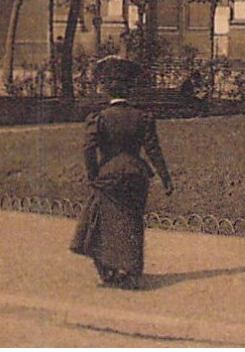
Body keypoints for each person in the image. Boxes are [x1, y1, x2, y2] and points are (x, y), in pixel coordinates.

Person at [70, 71, 174, 288]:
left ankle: (108, 270)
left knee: (102, 221)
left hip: (108, 174)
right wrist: (165, 178)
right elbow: (153, 149)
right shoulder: (142, 117)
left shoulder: (99, 118)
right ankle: (131, 271)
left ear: (108, 92)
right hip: (137, 173)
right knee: (132, 221)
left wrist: (93, 174)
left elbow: (88, 149)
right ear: (129, 91)